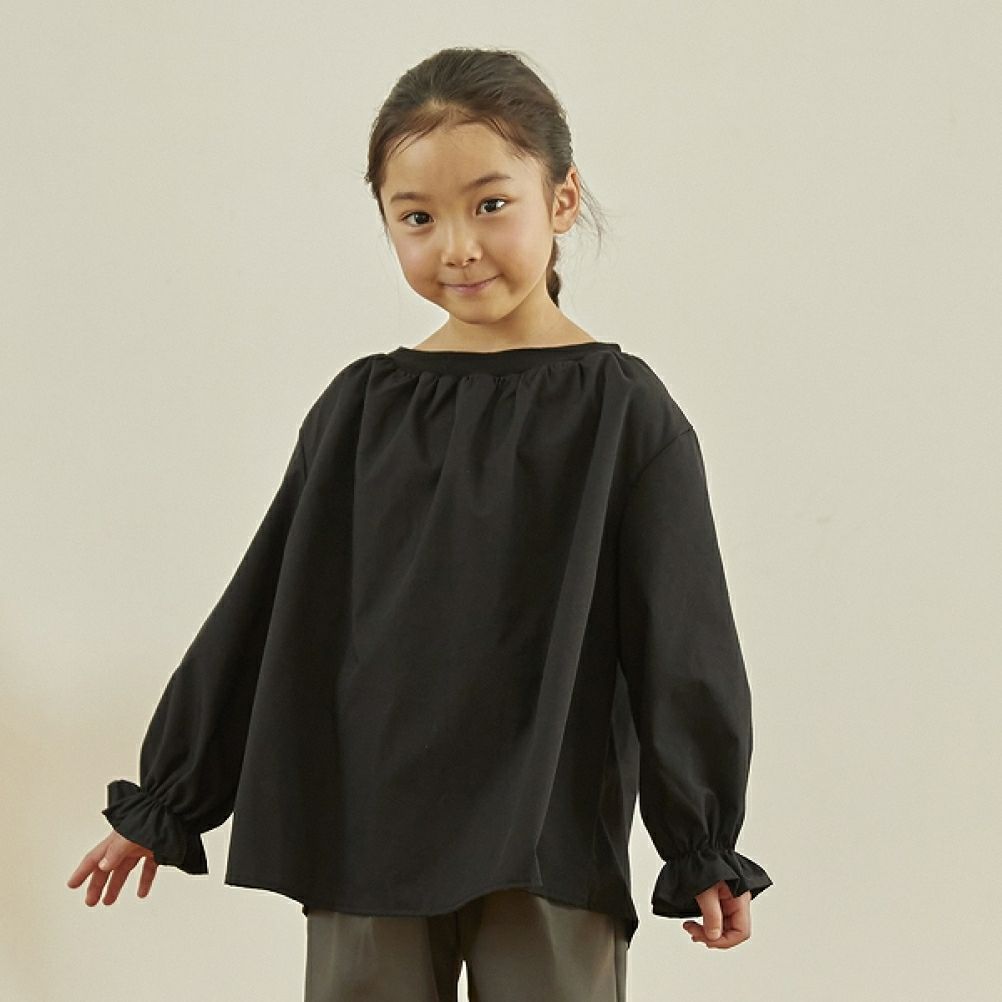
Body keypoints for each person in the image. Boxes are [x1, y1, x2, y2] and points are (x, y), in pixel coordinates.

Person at [67, 45, 773, 1001]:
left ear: (562, 199)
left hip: (547, 830)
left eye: (491, 204)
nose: (457, 247)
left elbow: (680, 639)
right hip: (367, 828)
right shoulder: (362, 409)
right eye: (417, 217)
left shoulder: (623, 413)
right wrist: (169, 799)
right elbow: (266, 608)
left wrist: (701, 842)